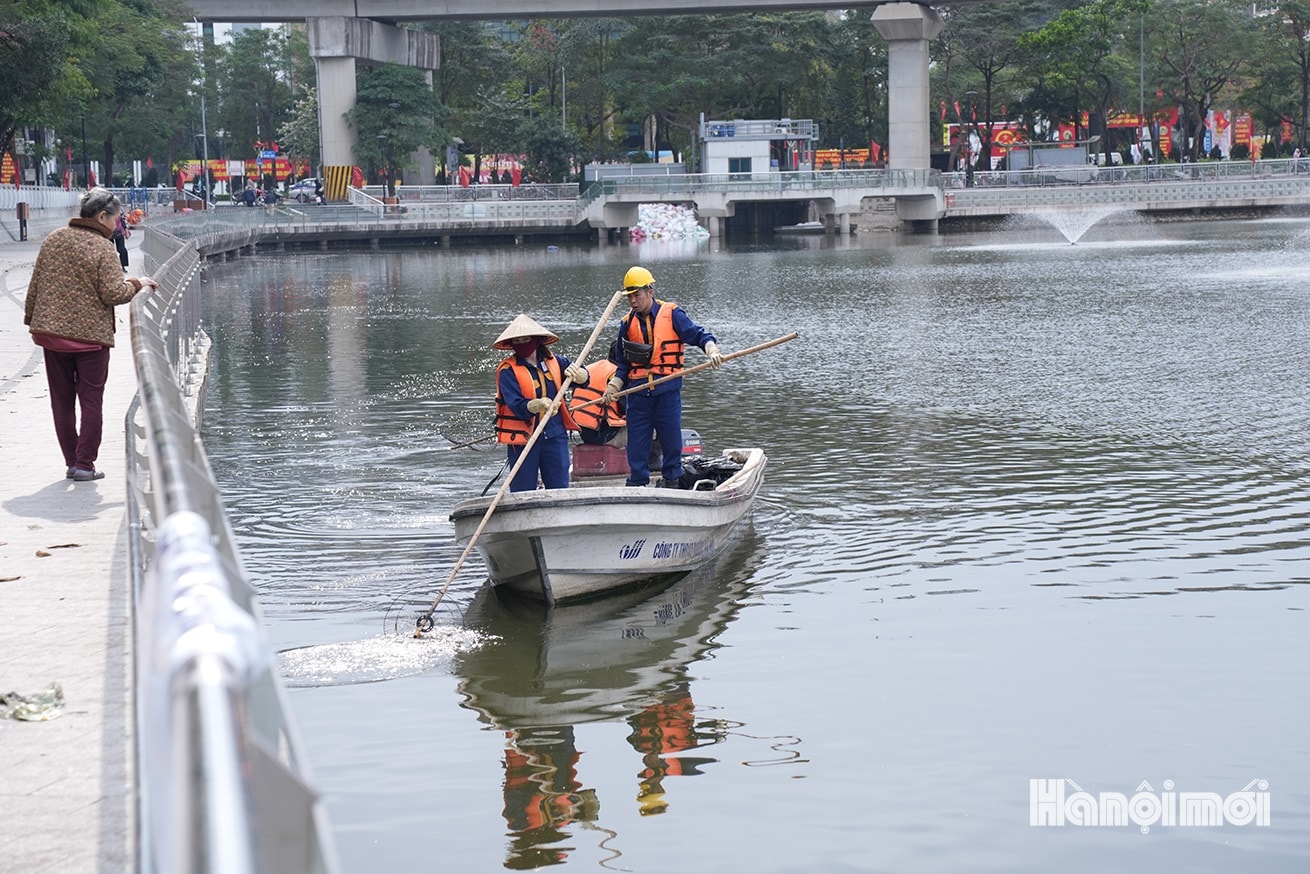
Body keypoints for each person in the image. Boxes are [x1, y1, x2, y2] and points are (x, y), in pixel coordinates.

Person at [24, 187, 159, 482]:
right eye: (115, 219)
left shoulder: (54, 239)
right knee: (91, 401)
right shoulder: (102, 248)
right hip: (89, 341)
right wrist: (138, 283)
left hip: (52, 336)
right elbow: (114, 293)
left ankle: (72, 462)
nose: (116, 225)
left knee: (61, 401)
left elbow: (34, 286)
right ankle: (85, 464)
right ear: (101, 217)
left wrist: (33, 320)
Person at [602, 266, 722, 488]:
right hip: (638, 393)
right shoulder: (626, 324)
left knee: (671, 440)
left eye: (637, 295)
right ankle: (637, 484)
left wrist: (711, 349)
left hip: (666, 390)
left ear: (650, 291)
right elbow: (623, 365)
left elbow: (697, 335)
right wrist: (614, 387)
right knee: (637, 443)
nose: (633, 301)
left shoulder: (672, 313)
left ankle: (672, 482)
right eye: (630, 297)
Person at [494, 314, 589, 492]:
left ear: (536, 340)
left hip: (554, 435)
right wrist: (537, 405)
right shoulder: (507, 371)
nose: (522, 343)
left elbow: (583, 380)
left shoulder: (555, 361)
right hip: (523, 440)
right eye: (518, 340)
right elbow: (516, 405)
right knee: (523, 491)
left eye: (526, 339)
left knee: (559, 488)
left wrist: (581, 375)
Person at [569, 355, 626, 447]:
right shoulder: (616, 376)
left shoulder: (588, 369)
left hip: (582, 431)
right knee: (646, 426)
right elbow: (625, 407)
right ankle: (651, 461)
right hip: (603, 434)